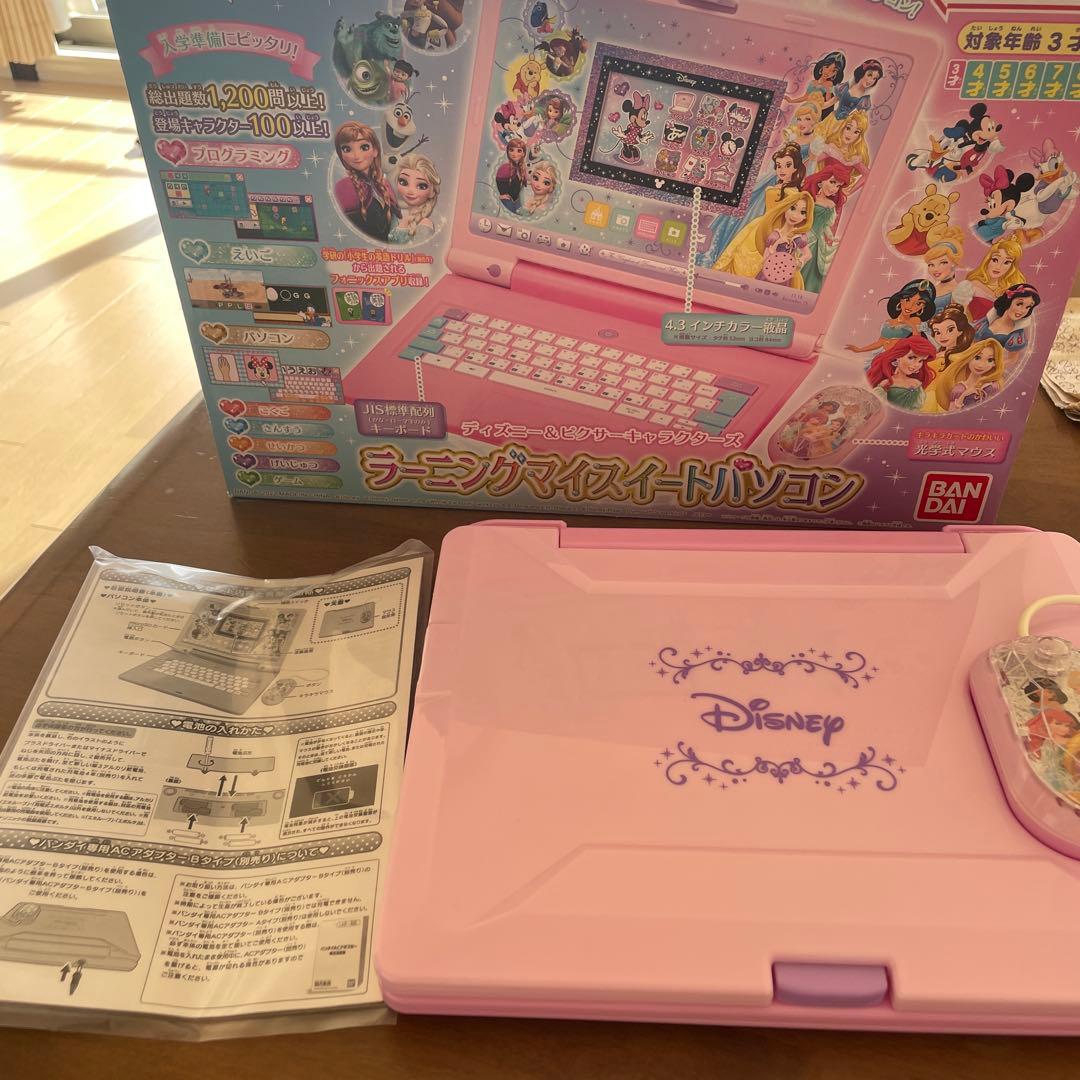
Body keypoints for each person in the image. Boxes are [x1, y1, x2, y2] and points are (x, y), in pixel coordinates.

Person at [699, 142, 806, 267]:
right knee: (739, 250)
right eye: (778, 166)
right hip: (759, 224)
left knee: (753, 257)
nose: (782, 170)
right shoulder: (776, 185)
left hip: (773, 227)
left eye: (787, 165)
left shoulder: (793, 192)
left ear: (795, 168)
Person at [715, 188, 815, 288]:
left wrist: (799, 261)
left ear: (806, 217)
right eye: (792, 208)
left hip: (787, 275)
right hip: (769, 274)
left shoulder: (799, 237)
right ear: (785, 208)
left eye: (803, 212)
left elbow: (808, 255)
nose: (795, 215)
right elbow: (765, 260)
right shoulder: (775, 235)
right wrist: (777, 244)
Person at [333, 122, 399, 242]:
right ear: (341, 154)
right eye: (347, 149)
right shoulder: (343, 187)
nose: (356, 156)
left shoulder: (384, 183)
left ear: (375, 150)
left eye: (364, 147)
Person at [846, 278, 936, 355]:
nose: (909, 306)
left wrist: (910, 325)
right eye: (907, 300)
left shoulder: (915, 320)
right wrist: (860, 350)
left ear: (923, 307)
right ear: (901, 300)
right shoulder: (888, 322)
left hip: (900, 357)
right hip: (885, 355)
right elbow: (880, 342)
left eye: (918, 303)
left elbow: (917, 341)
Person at [800, 162, 851, 292]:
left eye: (838, 186)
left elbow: (825, 226)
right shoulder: (808, 198)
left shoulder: (831, 205)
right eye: (832, 182)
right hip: (801, 236)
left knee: (810, 272)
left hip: (816, 243)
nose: (834, 188)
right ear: (821, 180)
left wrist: (832, 238)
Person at [930, 338, 1006, 412]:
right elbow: (951, 414)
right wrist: (964, 395)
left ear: (994, 364)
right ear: (969, 358)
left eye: (990, 360)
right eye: (977, 358)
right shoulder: (959, 389)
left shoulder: (993, 386)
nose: (981, 365)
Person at [864, 335, 937, 410]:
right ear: (898, 356)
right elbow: (876, 407)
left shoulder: (917, 384)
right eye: (911, 358)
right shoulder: (886, 383)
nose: (916, 365)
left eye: (920, 361)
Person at [966, 236, 1026, 322]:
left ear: (1012, 267)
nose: (998, 266)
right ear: (988, 260)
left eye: (1006, 262)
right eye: (995, 260)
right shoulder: (973, 285)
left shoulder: (1012, 290)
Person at [972, 283, 1040, 353]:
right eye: (1019, 304)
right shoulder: (986, 322)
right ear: (1009, 301)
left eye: (1028, 307)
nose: (1022, 310)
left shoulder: (1016, 335)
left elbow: (1012, 358)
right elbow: (971, 346)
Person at [388, 153, 440, 242]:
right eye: (403, 182)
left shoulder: (425, 224)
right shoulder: (395, 217)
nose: (410, 191)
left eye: (421, 186)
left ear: (432, 192)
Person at [495, 138, 528, 213]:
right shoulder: (505, 168)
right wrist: (502, 195)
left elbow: (524, 185)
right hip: (507, 202)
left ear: (523, 153)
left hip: (518, 202)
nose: (514, 153)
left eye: (519, 151)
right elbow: (500, 183)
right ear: (508, 152)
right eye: (511, 150)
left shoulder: (522, 168)